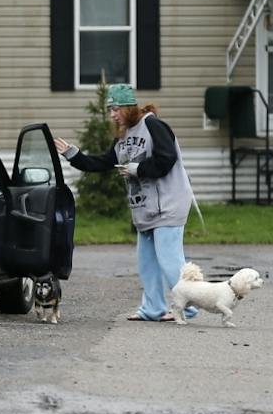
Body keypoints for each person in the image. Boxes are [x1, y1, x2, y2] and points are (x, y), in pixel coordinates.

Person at [56, 84, 195, 322]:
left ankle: (189, 306)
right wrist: (72, 154)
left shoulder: (153, 125)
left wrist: (138, 169)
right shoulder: (123, 136)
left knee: (170, 260)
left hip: (168, 204)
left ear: (129, 107)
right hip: (145, 208)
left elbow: (167, 158)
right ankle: (153, 309)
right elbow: (103, 163)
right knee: (147, 262)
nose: (112, 114)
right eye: (110, 109)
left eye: (115, 108)